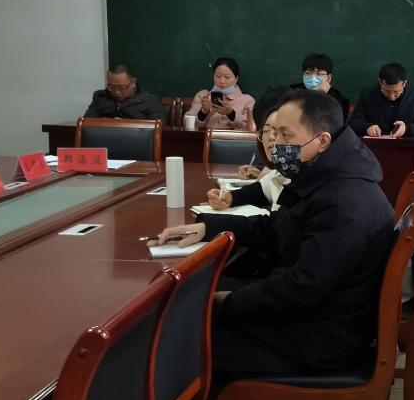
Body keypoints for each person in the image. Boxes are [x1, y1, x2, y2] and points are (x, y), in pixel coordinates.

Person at [151, 90, 393, 378]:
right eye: (273, 133)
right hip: (311, 312)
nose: (276, 144)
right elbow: (279, 228)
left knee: (177, 334)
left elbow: (303, 288)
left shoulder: (344, 200)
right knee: (191, 294)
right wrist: (209, 226)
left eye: (286, 136)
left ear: (322, 141)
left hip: (319, 338)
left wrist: (229, 302)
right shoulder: (327, 175)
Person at [209, 94, 287, 212]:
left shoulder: (305, 177)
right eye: (266, 130)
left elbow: (283, 220)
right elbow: (262, 190)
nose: (271, 137)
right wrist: (230, 198)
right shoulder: (281, 169)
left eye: (281, 131)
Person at [347, 62, 414, 139]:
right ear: (380, 82)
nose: (391, 97)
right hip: (373, 146)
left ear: (404, 83)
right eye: (386, 91)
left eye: (397, 92)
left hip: (405, 146)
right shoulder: (367, 94)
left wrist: (407, 129)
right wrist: (367, 127)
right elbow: (354, 122)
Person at [188, 57, 255, 132]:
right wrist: (203, 112)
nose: (222, 81)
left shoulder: (247, 100)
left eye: (227, 77)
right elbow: (188, 123)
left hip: (233, 139)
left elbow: (249, 129)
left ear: (236, 78)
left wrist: (231, 113)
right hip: (206, 138)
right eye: (218, 76)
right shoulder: (203, 96)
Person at [83, 64, 164, 120]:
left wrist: (123, 123)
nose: (117, 92)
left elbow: (158, 126)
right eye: (111, 87)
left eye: (122, 88)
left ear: (133, 83)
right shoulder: (100, 97)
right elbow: (87, 121)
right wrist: (104, 122)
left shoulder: (150, 100)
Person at [292, 52, 351, 121]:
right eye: (308, 73)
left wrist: (320, 95)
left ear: (329, 78)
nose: (313, 77)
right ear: (303, 75)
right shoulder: (291, 92)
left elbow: (333, 124)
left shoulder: (339, 101)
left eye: (319, 74)